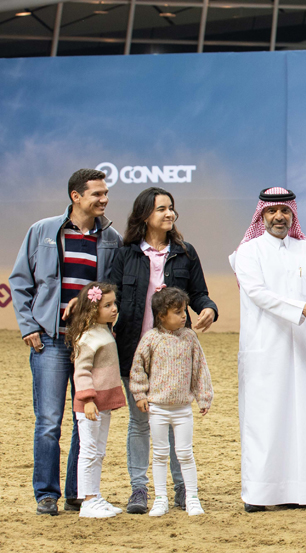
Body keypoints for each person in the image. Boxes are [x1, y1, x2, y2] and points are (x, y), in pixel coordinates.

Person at [11, 168, 123, 515]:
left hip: (89, 343)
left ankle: (79, 492)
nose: (104, 199)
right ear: (76, 196)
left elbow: (112, 288)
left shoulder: (112, 238)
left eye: (105, 193)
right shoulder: (43, 231)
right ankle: (47, 494)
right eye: (97, 194)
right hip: (49, 341)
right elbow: (20, 281)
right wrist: (29, 326)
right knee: (48, 421)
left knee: (85, 418)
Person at [108, 187, 218, 514]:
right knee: (140, 423)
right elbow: (112, 295)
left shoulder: (185, 253)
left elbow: (199, 293)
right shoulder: (125, 253)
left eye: (171, 208)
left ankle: (183, 489)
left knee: (173, 423)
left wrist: (208, 308)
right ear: (144, 215)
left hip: (174, 358)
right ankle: (140, 490)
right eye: (161, 209)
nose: (169, 213)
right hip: (134, 352)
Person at [230, 186, 306, 512]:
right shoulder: (248, 251)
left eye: (285, 211)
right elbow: (257, 293)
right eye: (271, 211)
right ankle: (257, 494)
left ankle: (298, 492)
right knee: (263, 419)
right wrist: (302, 308)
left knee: (301, 419)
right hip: (263, 347)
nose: (278, 217)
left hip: (302, 347)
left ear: (293, 214)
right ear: (261, 215)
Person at [129, 287, 214, 518]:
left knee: (185, 453)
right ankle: (160, 499)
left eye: (184, 311)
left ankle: (192, 497)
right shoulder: (151, 339)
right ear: (161, 315)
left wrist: (204, 396)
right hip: (157, 409)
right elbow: (138, 368)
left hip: (183, 410)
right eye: (177, 312)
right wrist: (140, 394)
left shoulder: (190, 338)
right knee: (159, 454)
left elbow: (200, 369)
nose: (184, 316)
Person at [66, 282, 127, 519]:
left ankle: (95, 494)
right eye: (107, 305)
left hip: (102, 404)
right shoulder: (87, 338)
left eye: (114, 304)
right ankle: (88, 501)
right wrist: (88, 399)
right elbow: (81, 372)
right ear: (93, 309)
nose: (114, 309)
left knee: (99, 451)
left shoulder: (104, 331)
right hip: (90, 405)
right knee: (89, 451)